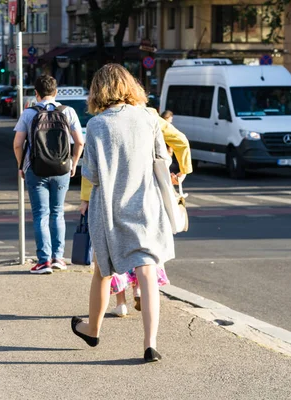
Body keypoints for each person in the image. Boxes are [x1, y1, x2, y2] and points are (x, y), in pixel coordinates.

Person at [71, 64, 175, 362]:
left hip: (110, 210)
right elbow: (162, 159)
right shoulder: (148, 118)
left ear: (99, 90)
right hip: (146, 204)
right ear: (130, 86)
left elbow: (92, 174)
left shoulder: (97, 125)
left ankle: (92, 329)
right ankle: (150, 343)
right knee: (147, 271)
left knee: (103, 270)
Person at [84, 108, 192, 317]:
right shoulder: (149, 115)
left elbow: (92, 170)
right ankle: (141, 293)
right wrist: (183, 171)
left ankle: (120, 302)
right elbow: (180, 140)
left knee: (112, 255)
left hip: (111, 198)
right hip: (144, 197)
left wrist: (85, 197)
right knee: (144, 256)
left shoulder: (99, 121)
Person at [13, 75, 85, 274]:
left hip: (36, 169)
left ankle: (43, 261)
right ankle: (58, 258)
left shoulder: (29, 113)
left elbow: (18, 143)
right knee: (57, 212)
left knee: (40, 215)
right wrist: (74, 163)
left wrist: (21, 164)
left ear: (36, 93)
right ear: (56, 92)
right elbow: (79, 141)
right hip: (62, 168)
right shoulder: (67, 112)